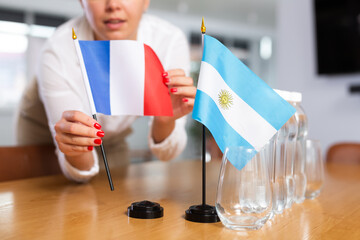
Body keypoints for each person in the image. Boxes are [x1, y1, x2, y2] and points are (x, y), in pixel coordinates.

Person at [15, 0, 196, 182]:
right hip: (47, 130)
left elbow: (167, 154)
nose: (113, 4)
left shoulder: (168, 41)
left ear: (146, 1)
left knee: (114, 195)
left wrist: (164, 121)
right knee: (47, 194)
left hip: (112, 134)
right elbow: (79, 169)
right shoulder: (58, 49)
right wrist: (76, 152)